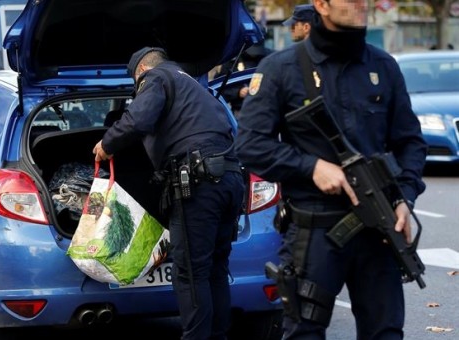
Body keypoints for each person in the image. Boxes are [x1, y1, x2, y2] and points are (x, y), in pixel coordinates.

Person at [235, 0, 427, 339]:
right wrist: (311, 167)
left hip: (378, 231)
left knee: (385, 333)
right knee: (304, 333)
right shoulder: (282, 68)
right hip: (314, 231)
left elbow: (410, 143)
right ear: (321, 4)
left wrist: (404, 198)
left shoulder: (383, 67)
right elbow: (250, 146)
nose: (361, 4)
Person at [92, 47, 244, 339]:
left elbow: (138, 120)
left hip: (199, 184)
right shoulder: (194, 87)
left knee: (190, 272)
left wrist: (106, 144)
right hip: (230, 179)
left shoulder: (156, 78)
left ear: (141, 72)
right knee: (214, 268)